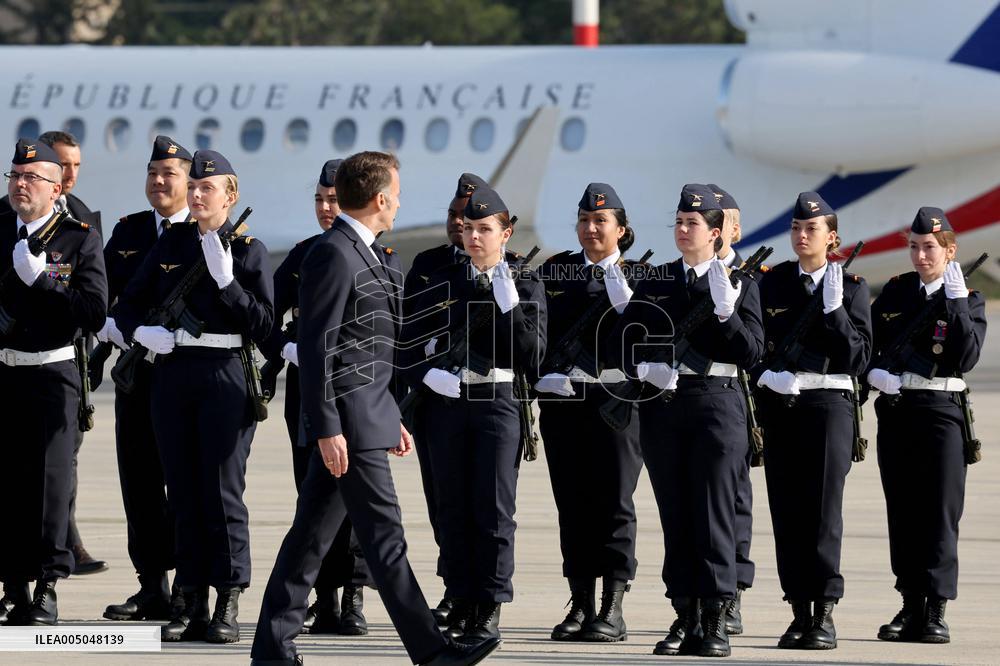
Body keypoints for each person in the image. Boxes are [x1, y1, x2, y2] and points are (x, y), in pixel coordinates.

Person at [251, 151, 500, 666]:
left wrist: (390, 414)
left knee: (309, 539)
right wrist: (326, 427)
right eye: (397, 192)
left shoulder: (367, 252)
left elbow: (371, 349)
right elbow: (320, 346)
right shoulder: (334, 253)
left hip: (364, 418)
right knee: (386, 540)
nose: (400, 202)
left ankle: (273, 645)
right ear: (381, 198)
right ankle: (432, 651)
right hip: (346, 425)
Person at [115, 150, 274, 643]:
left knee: (222, 492)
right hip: (173, 372)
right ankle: (191, 600)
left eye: (211, 188)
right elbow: (127, 307)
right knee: (182, 492)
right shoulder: (174, 244)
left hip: (225, 375)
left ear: (231, 195)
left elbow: (265, 326)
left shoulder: (248, 250)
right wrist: (141, 333)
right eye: (197, 187)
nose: (200, 194)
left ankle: (228, 598)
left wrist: (228, 282)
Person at [613, 184, 763, 658]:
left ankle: (716, 615)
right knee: (676, 515)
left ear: (717, 233)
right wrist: (642, 363)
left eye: (692, 224)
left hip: (716, 404)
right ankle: (685, 613)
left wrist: (726, 313)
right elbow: (628, 339)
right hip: (664, 406)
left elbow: (752, 352)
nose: (681, 230)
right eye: (678, 222)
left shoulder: (740, 282)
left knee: (714, 514)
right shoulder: (657, 280)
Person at [399, 185, 546, 645]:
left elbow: (531, 355)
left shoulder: (524, 280)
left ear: (506, 233)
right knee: (451, 506)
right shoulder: (441, 275)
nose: (475, 237)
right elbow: (404, 342)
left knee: (494, 510)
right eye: (468, 229)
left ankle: (489, 605)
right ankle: (459, 597)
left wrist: (509, 304)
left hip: (496, 404)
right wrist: (427, 375)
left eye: (486, 230)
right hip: (444, 404)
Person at [258, 158, 374, 636]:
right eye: (319, 200)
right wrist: (285, 346)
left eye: (333, 199)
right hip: (309, 394)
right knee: (312, 494)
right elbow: (264, 312)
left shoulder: (374, 255)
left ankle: (353, 597)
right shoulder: (305, 253)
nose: (326, 208)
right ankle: (323, 598)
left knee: (359, 499)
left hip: (359, 393)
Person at [753, 192, 872, 650]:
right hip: (782, 405)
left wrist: (835, 311)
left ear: (832, 238)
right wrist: (768, 376)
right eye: (797, 230)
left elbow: (858, 358)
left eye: (812, 230)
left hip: (828, 407)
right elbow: (754, 348)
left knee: (822, 512)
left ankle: (823, 611)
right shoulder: (773, 284)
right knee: (786, 511)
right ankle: (797, 610)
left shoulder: (853, 287)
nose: (802, 237)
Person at [0, 139, 107, 625]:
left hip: (53, 372)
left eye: (32, 178)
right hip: (3, 370)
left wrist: (43, 282)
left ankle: (47, 586)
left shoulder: (79, 238)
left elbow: (92, 311)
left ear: (56, 186)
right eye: (15, 177)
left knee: (49, 483)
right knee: (7, 484)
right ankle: (13, 587)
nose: (21, 186)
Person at [867, 208, 986, 644]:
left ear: (950, 251)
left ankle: (935, 608)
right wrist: (874, 375)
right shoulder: (896, 295)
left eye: (930, 247)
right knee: (903, 512)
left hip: (942, 413)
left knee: (938, 513)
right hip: (899, 409)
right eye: (914, 247)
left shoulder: (968, 299)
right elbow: (869, 347)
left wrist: (954, 304)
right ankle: (909, 603)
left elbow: (966, 356)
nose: (920, 256)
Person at [534, 183, 643, 643]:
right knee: (572, 504)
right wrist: (541, 374)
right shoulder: (555, 271)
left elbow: (650, 339)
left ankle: (612, 606)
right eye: (584, 220)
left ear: (621, 229)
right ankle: (580, 603)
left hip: (615, 401)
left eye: (601, 221)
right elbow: (535, 330)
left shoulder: (642, 273)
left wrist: (628, 301)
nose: (591, 228)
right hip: (565, 401)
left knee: (614, 503)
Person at [99, 136, 192, 621]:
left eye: (169, 173)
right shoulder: (130, 232)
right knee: (139, 482)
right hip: (137, 375)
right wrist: (113, 326)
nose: (159, 181)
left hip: (185, 379)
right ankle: (151, 584)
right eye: (153, 172)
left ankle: (185, 587)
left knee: (182, 483)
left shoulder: (205, 233)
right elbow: (103, 292)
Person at [707, 183, 754, 634]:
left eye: (731, 221)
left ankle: (734, 589)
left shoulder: (753, 279)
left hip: (740, 398)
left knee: (735, 499)